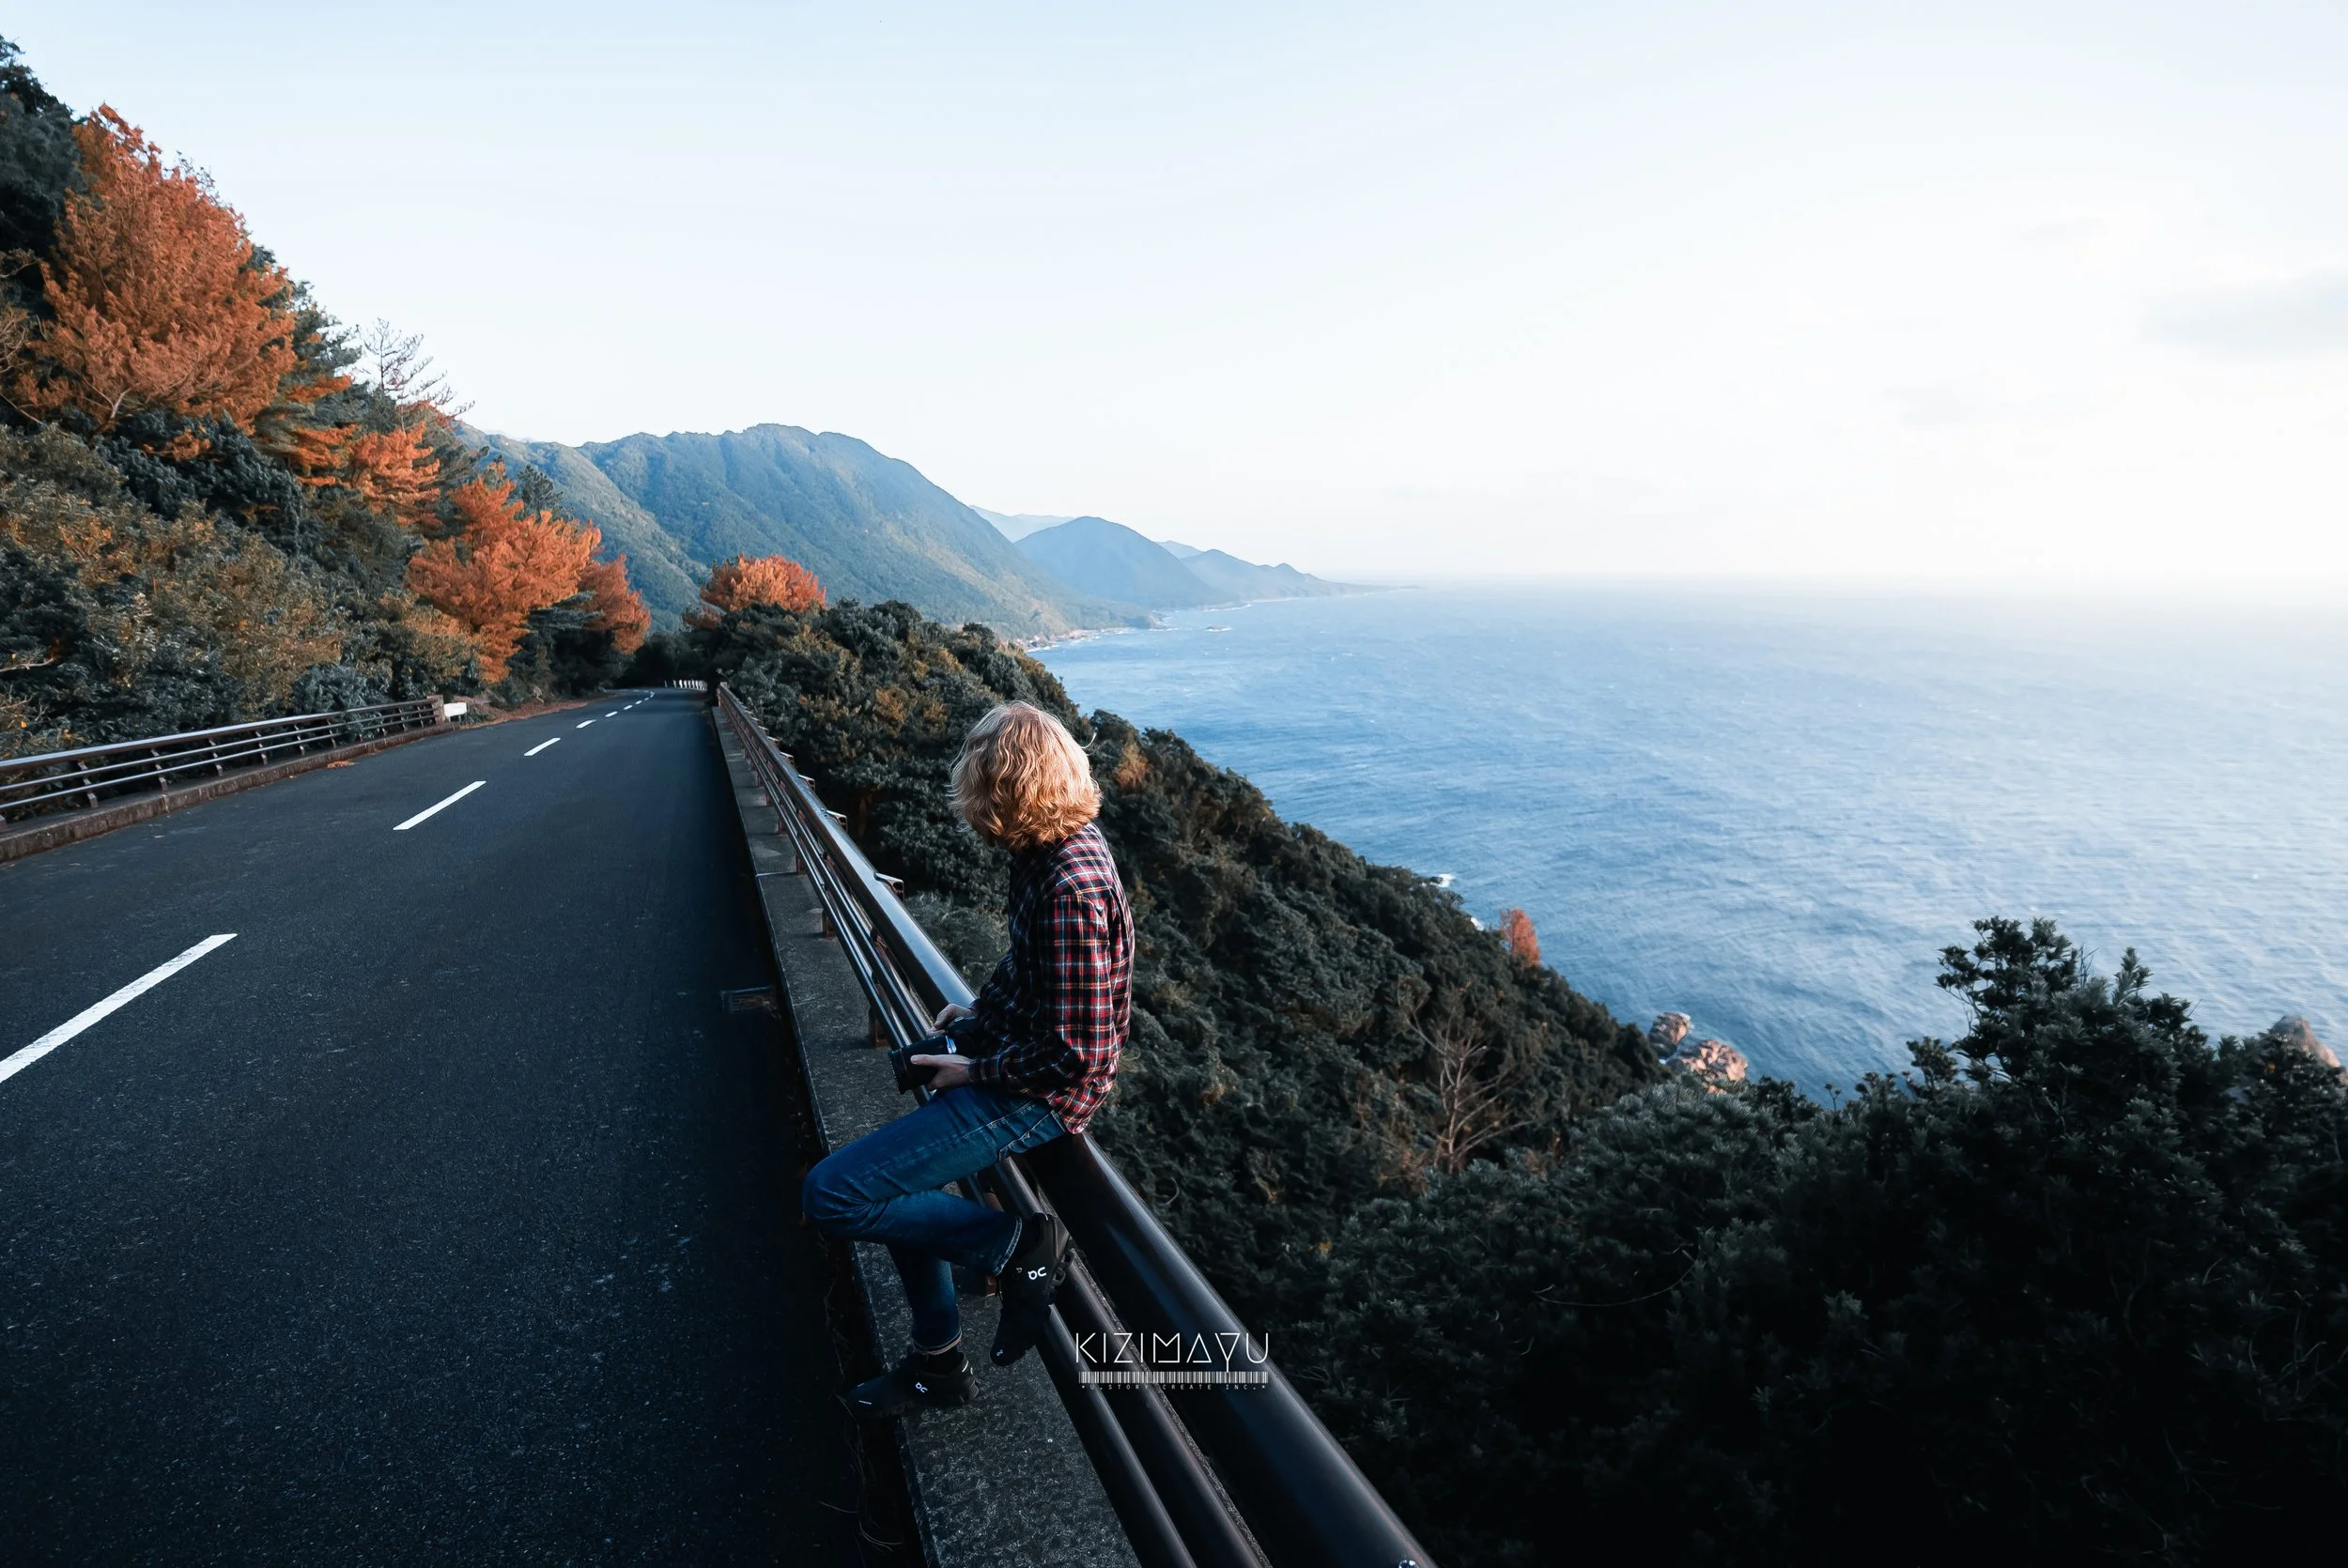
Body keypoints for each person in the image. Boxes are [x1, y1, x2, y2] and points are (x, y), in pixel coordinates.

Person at [800, 701, 1135, 1419]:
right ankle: (937, 1366)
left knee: (835, 1194)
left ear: (1001, 789)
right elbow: (1036, 973)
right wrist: (977, 1021)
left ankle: (1014, 1245)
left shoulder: (1068, 887)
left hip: (1038, 1094)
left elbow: (1082, 1052)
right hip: (1019, 1058)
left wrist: (975, 1070)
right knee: (896, 1193)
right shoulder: (1054, 849)